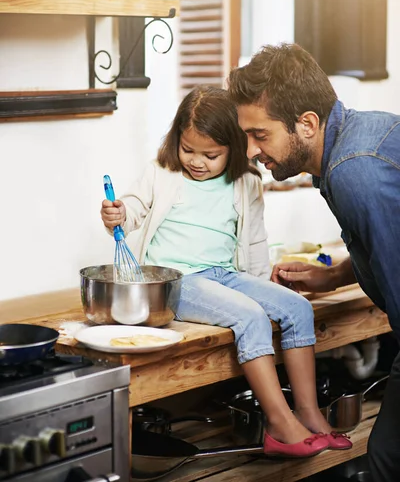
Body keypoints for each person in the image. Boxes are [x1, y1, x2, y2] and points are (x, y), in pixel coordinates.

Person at [100, 86, 350, 458]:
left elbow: (253, 243)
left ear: (234, 147)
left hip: (225, 275)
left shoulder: (246, 181)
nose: (197, 162)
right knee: (250, 317)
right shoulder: (162, 173)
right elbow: (134, 208)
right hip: (177, 282)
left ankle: (309, 413)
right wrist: (118, 213)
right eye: (188, 150)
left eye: (211, 155)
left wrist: (265, 285)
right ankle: (279, 424)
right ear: (176, 142)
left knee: (297, 309)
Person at [228, 42, 400, 480]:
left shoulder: (352, 171)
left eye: (260, 135)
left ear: (306, 124)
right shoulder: (359, 138)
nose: (250, 151)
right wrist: (336, 274)